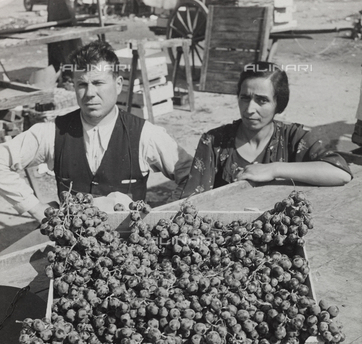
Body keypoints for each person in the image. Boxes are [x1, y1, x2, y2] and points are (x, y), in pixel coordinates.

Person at [0, 40, 192, 223]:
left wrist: (163, 216)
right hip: (72, 247)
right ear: (74, 86)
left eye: (98, 83)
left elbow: (194, 175)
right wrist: (34, 207)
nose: (90, 93)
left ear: (118, 84)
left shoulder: (145, 134)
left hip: (131, 247)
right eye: (82, 84)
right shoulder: (53, 132)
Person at [181, 61, 352, 198]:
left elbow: (340, 173)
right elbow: (193, 201)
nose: (249, 109)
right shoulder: (214, 142)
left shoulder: (293, 138)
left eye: (262, 101)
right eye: (244, 98)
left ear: (279, 104)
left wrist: (274, 169)